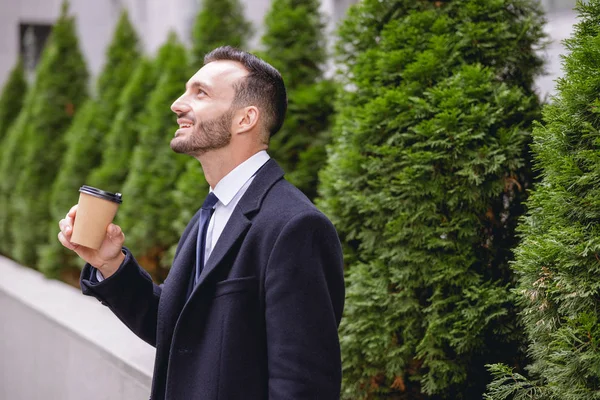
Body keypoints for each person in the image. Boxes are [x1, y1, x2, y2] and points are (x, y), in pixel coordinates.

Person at [57, 46, 345, 399]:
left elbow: (302, 387)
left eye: (201, 93)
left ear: (246, 119)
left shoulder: (296, 227)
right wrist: (109, 263)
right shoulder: (209, 213)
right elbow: (182, 332)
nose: (177, 104)